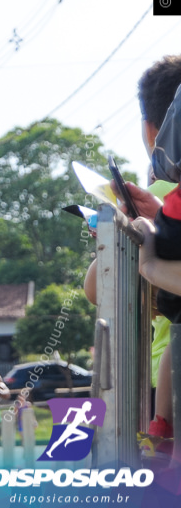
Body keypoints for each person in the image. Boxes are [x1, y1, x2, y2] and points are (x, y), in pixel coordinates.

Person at [83, 54, 181, 442]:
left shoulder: (161, 193)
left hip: (159, 380)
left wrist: (124, 248)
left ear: (152, 130)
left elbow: (97, 290)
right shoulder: (164, 202)